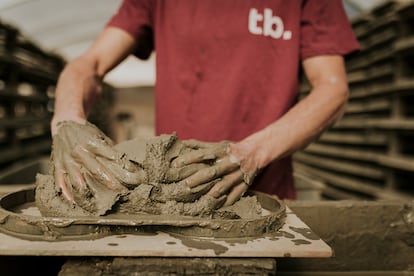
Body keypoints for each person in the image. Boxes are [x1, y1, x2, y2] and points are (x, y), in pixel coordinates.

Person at [51, 0, 359, 207]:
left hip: (263, 197)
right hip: (170, 197)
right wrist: (67, 117)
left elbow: (332, 90)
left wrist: (252, 153)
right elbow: (89, 64)